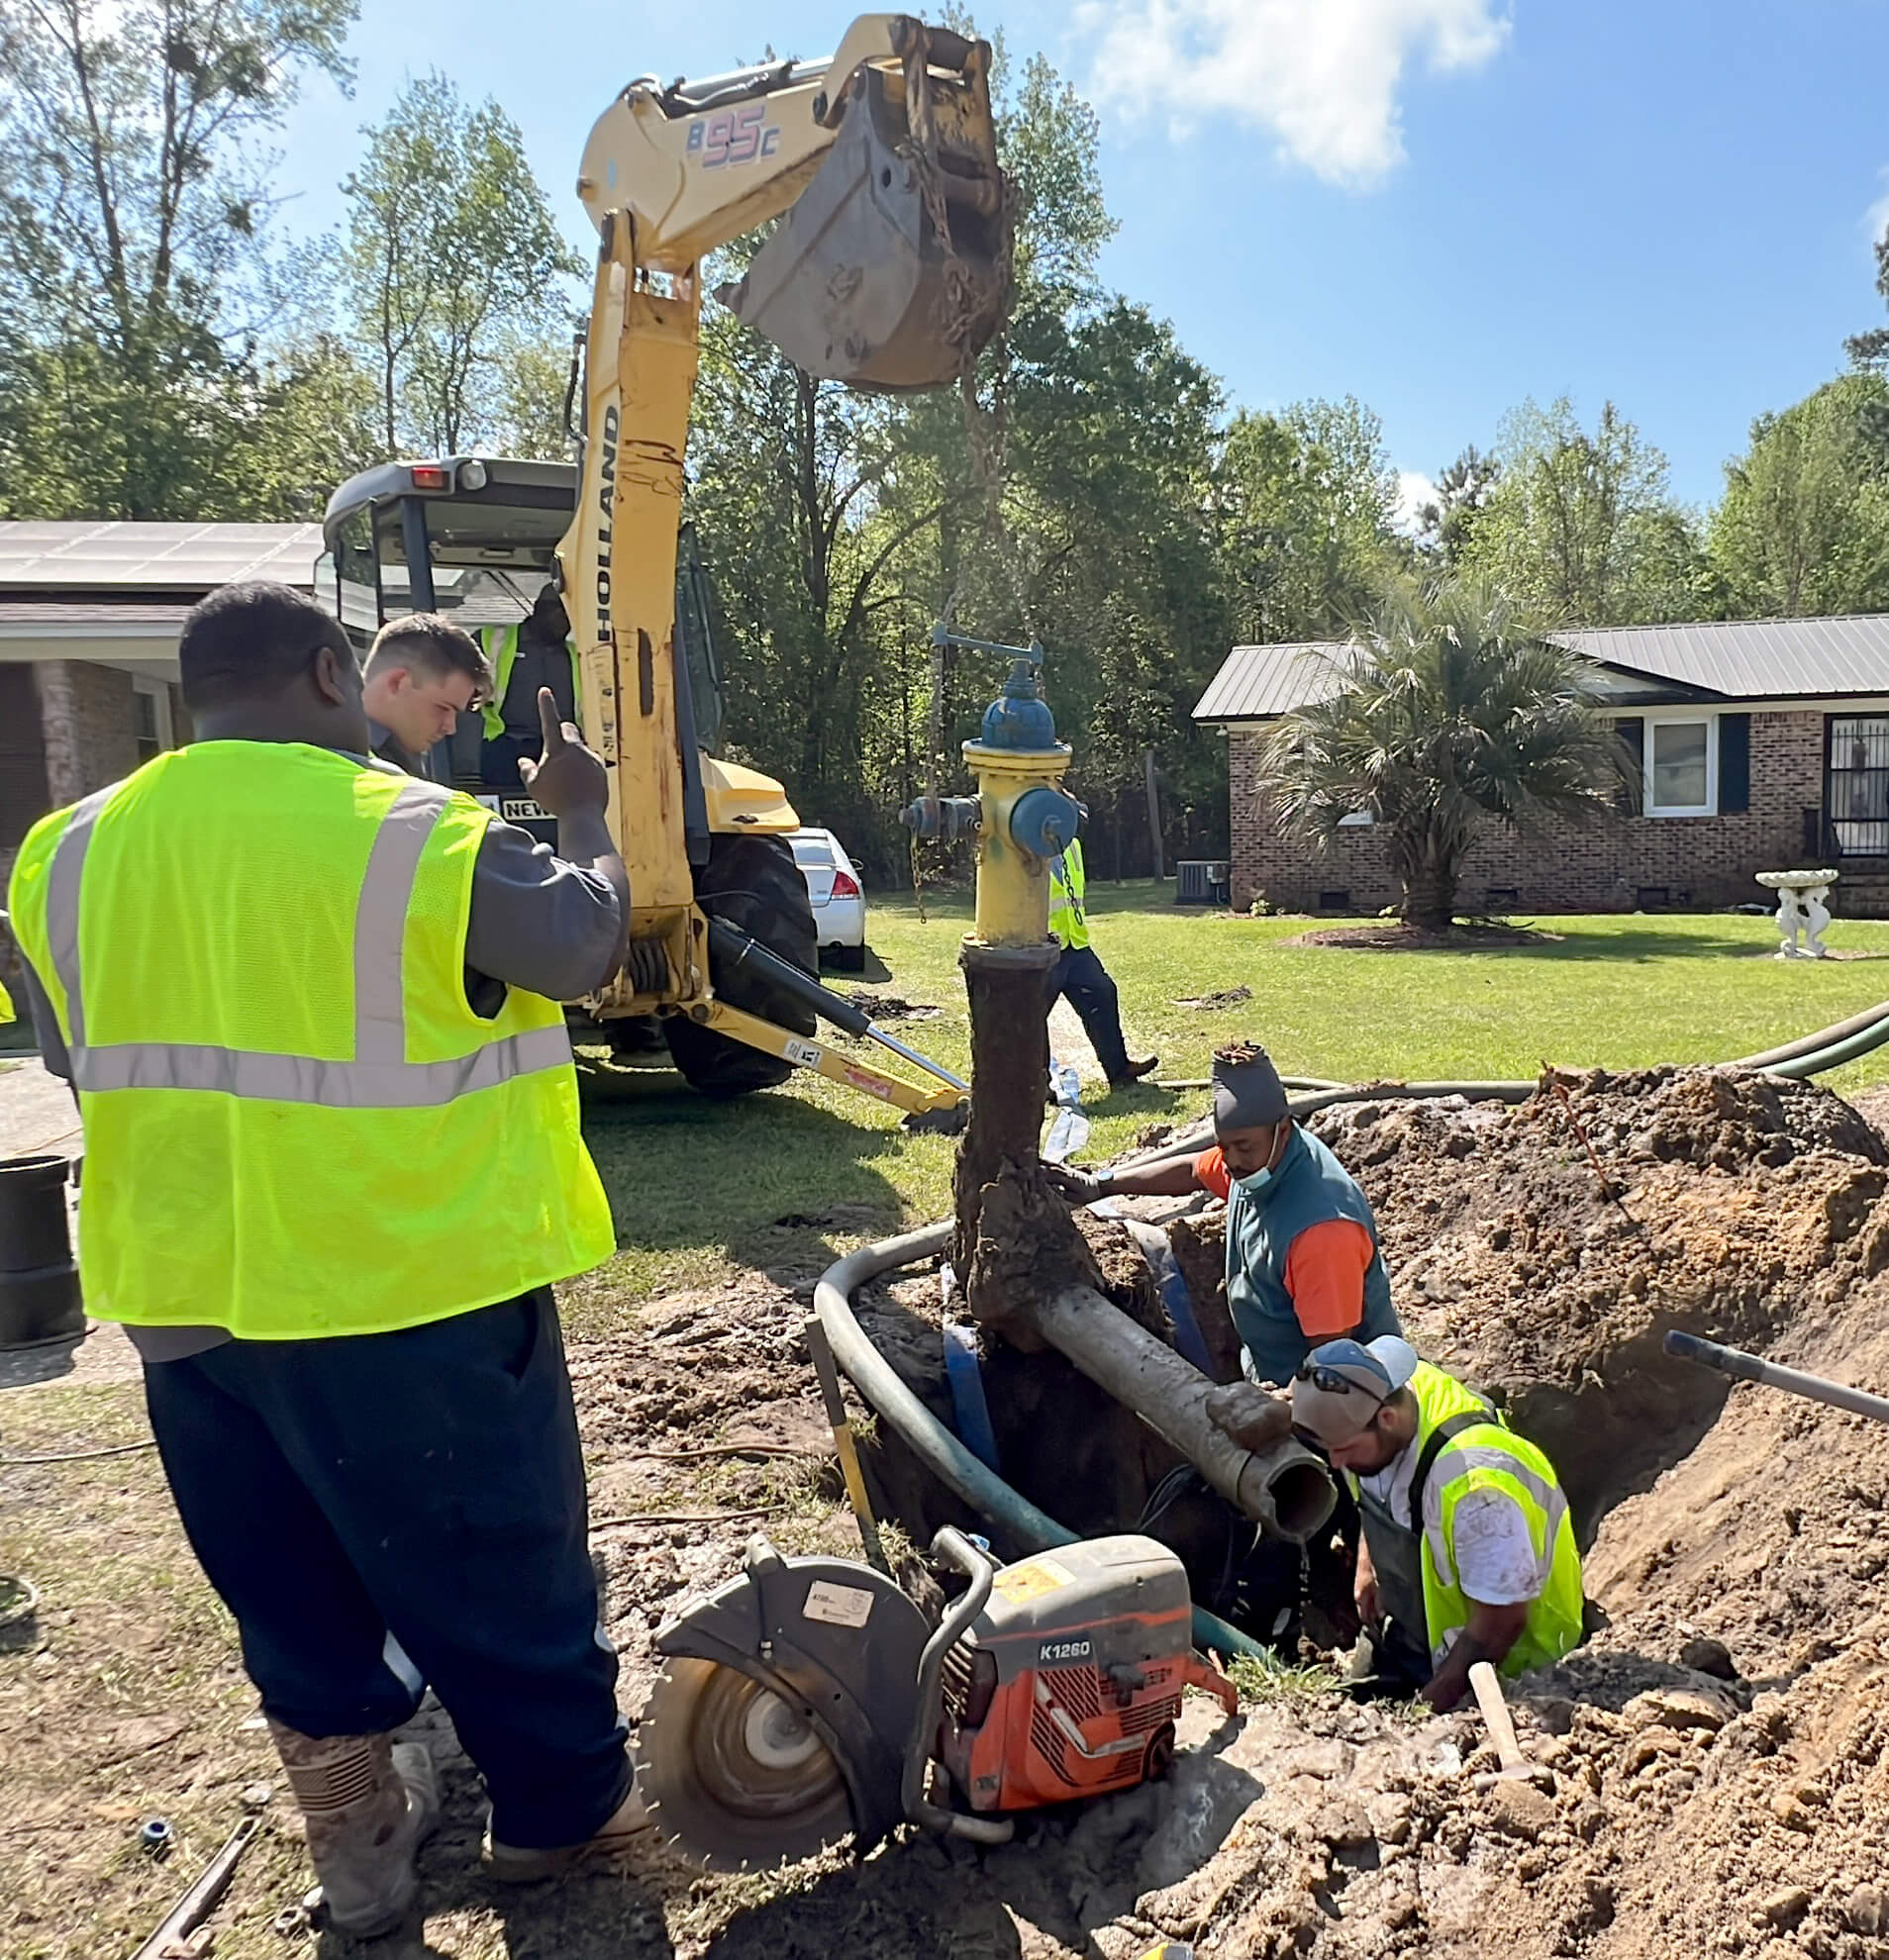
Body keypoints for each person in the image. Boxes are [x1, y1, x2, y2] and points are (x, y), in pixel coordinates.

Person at [6, 581, 640, 1935]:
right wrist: (583, 812)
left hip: (181, 1300)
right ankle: (564, 1821)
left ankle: (358, 1847)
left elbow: (73, 1053)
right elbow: (584, 946)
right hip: (404, 1285)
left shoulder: (61, 851)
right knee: (502, 1570)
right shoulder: (417, 833)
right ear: (326, 675)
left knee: (286, 1583)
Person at [1060, 1042, 1401, 1387]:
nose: (1231, 1160)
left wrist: (1274, 1410)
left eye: (1243, 1147)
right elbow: (1194, 1169)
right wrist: (1100, 1185)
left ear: (1283, 1130)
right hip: (1268, 1366)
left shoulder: (1320, 1231)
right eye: (1224, 1146)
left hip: (1340, 1401)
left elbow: (1332, 1367)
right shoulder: (1258, 1163)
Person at [1291, 1333, 1585, 1711]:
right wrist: (1368, 1563)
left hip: (1515, 1666)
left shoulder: (1478, 1492)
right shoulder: (1378, 1399)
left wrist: (1424, 1713)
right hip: (1419, 1627)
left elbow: (1500, 1623)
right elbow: (1378, 1487)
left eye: (1343, 1449)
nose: (1334, 1462)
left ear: (1387, 1418)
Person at [1047, 830, 1156, 1091]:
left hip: (1075, 943)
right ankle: (1037, 1085)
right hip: (1041, 947)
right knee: (1031, 1017)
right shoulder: (1022, 843)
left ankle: (1119, 1071)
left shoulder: (1072, 845)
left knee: (1103, 993)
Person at [476, 584, 582, 788]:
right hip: (506, 748)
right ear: (539, 609)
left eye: (570, 616)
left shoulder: (576, 655)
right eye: (559, 614)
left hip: (561, 751)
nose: (565, 623)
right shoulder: (494, 640)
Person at [361, 612, 494, 774]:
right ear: (397, 683)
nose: (450, 728)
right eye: (442, 708)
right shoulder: (347, 754)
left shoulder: (397, 751)